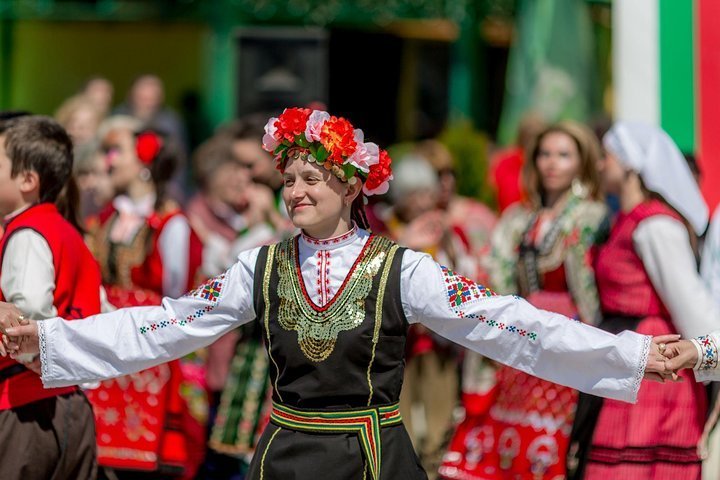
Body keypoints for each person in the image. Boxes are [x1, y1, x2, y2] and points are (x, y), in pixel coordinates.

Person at [0, 108, 674, 480]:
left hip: (373, 461)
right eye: (288, 177)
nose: (295, 190)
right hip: (285, 459)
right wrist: (50, 341)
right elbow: (165, 327)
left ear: (352, 186)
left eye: (312, 177)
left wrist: (634, 356)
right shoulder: (257, 266)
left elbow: (506, 324)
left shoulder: (402, 269)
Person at [440, 122, 608, 480]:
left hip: (567, 333)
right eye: (545, 154)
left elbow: (592, 285)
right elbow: (495, 268)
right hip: (520, 329)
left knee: (553, 434)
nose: (552, 163)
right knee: (507, 437)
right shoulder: (519, 218)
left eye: (564, 155)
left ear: (582, 162)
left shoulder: (591, 217)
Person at [567, 121, 719, 480]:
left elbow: (697, 315)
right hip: (630, 355)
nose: (600, 165)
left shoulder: (656, 227)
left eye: (607, 157)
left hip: (657, 370)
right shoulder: (625, 220)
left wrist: (703, 354)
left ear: (631, 163)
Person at [86, 117, 203, 479]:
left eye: (116, 151)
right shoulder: (105, 218)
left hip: (148, 353)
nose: (109, 161)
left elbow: (177, 295)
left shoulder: (171, 224)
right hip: (108, 347)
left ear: (144, 165)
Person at [0, 115, 101, 479]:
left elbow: (28, 315)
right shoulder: (69, 233)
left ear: (27, 180)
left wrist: (44, 365)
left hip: (26, 408)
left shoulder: (26, 233)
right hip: (72, 405)